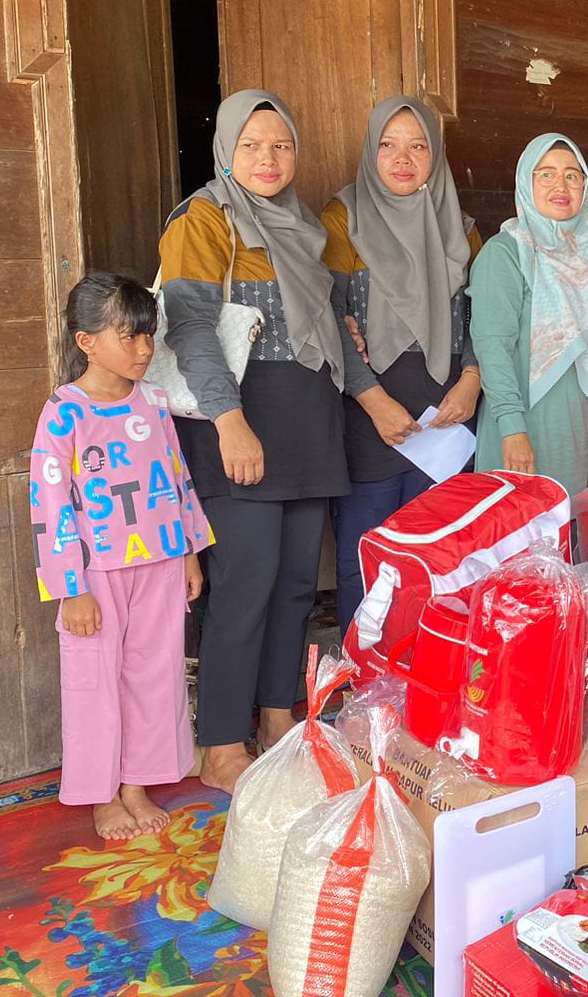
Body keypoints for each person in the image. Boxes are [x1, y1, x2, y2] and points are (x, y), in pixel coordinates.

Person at [159, 90, 355, 794]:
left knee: (299, 585)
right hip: (241, 418)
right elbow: (188, 328)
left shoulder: (304, 224)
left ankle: (277, 719)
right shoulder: (204, 219)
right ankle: (218, 746)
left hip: (308, 417)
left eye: (280, 146)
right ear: (227, 151)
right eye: (252, 146)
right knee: (245, 584)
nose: (268, 160)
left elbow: (329, 317)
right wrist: (228, 419)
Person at [30, 273, 212, 839]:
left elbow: (177, 480)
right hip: (95, 574)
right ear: (86, 342)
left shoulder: (155, 403)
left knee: (156, 676)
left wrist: (188, 553)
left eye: (147, 336)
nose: (142, 350)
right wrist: (71, 587)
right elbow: (49, 499)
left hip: (160, 563)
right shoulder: (64, 412)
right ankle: (101, 793)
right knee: (94, 681)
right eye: (127, 337)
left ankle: (137, 782)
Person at [324, 97, 480, 634]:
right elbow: (329, 316)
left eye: (418, 145)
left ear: (434, 155)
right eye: (388, 145)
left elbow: (480, 317)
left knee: (436, 556)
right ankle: (362, 679)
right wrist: (374, 400)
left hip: (446, 414)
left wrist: (471, 382)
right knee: (366, 555)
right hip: (371, 416)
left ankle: (424, 679)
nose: (403, 158)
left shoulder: (461, 227)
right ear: (371, 152)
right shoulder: (343, 219)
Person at [468, 134, 588, 497]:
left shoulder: (587, 256)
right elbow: (492, 347)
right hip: (523, 424)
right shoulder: (504, 253)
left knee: (569, 535)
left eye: (572, 175)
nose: (560, 185)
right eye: (545, 174)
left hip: (578, 424)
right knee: (521, 537)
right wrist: (512, 429)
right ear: (525, 183)